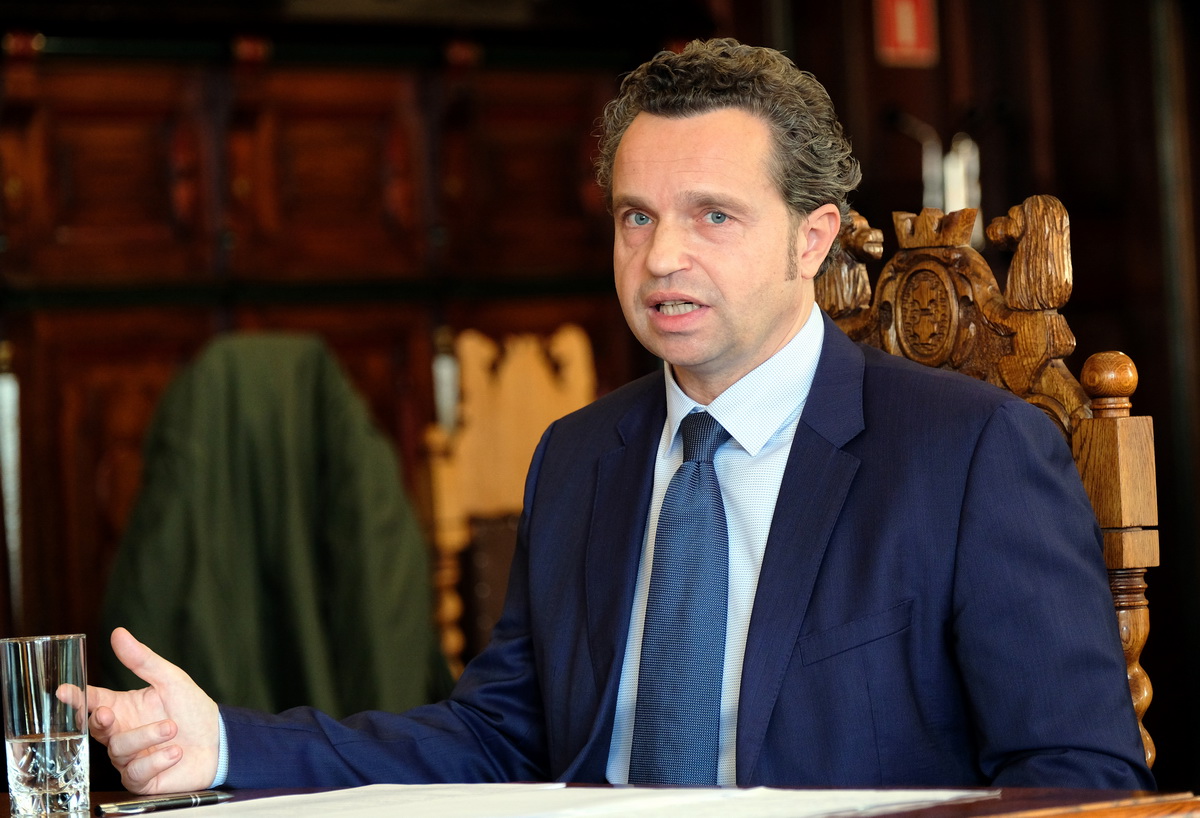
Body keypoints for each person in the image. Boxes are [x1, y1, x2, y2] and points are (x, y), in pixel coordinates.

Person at [78, 38, 1154, 792]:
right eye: (636, 216)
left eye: (712, 216)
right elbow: (497, 739)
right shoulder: (582, 455)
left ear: (813, 237)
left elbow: (1080, 779)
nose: (661, 256)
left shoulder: (970, 454)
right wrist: (225, 746)